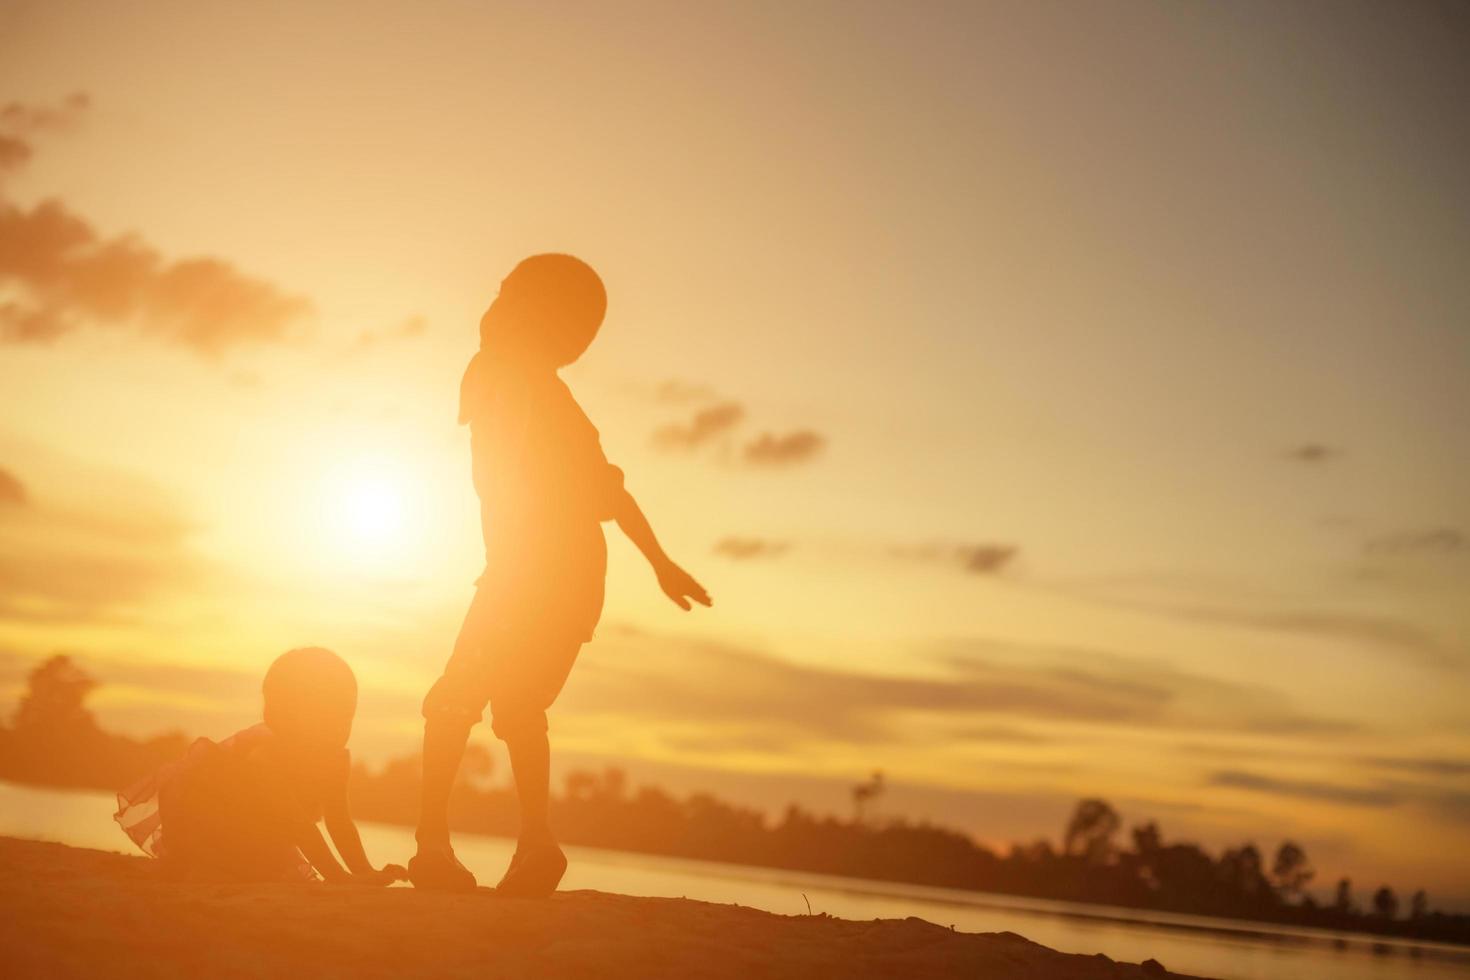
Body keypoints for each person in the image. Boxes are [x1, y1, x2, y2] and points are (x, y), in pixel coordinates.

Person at [411, 253, 710, 896]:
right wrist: (659, 564)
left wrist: (517, 558)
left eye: (507, 295)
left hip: (533, 568)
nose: (493, 303)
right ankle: (538, 845)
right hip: (575, 577)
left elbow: (542, 467)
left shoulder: (514, 376)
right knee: (519, 707)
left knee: (453, 698)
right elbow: (612, 494)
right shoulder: (551, 396)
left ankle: (432, 848)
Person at [115, 647, 405, 885]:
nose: (340, 728)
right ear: (284, 714)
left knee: (267, 867)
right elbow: (300, 826)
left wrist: (365, 872)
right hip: (218, 826)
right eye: (329, 717)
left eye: (347, 717)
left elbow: (340, 822)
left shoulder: (336, 759)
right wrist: (337, 877)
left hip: (265, 837)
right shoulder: (266, 757)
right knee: (224, 866)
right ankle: (198, 863)